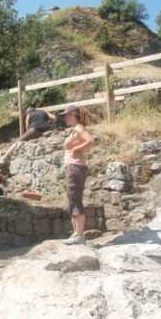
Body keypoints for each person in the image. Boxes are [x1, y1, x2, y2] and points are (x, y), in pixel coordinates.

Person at [60, 105, 94, 245]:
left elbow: (91, 141)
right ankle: (76, 234)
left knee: (75, 199)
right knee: (73, 199)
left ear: (74, 114)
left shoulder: (78, 128)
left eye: (66, 115)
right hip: (74, 167)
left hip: (75, 167)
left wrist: (76, 148)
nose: (64, 118)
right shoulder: (75, 129)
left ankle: (79, 235)